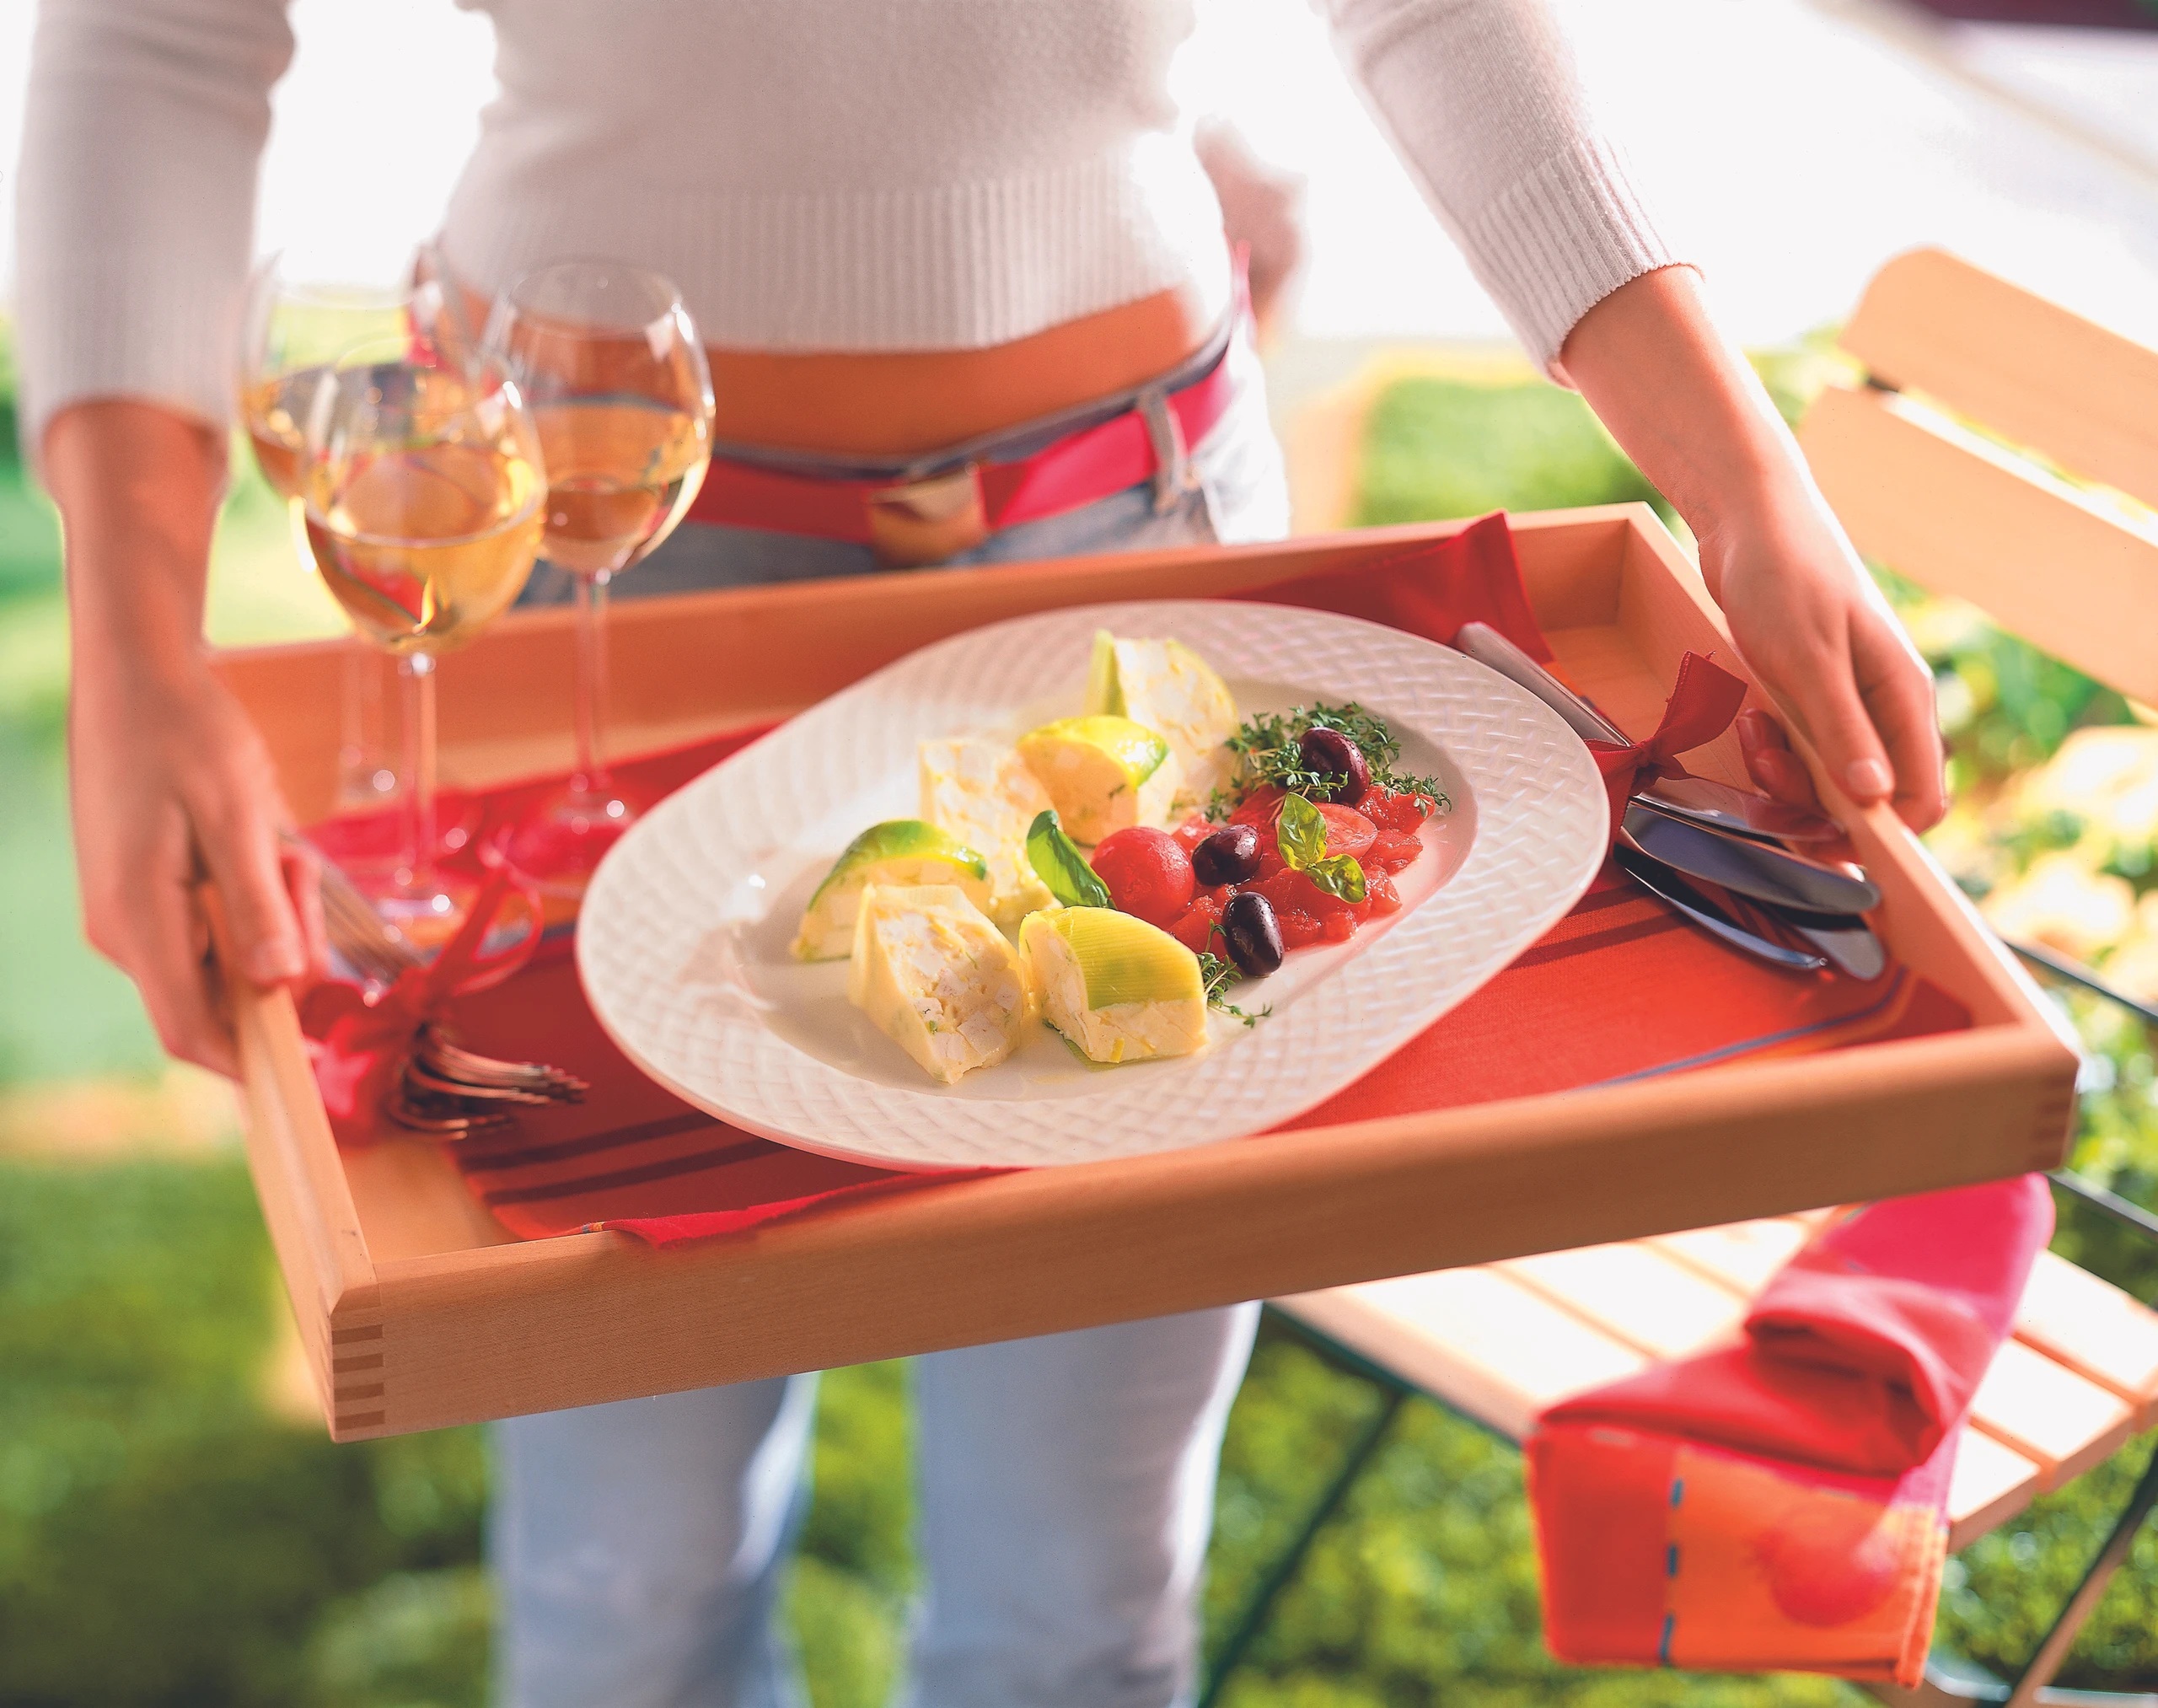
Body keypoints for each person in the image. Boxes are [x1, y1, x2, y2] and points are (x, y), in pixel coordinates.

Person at [15, 3, 1946, 1704]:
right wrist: (128, 636)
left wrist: (1734, 472)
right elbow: (163, 31)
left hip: (1144, 548)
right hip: (593, 576)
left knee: (1079, 1615)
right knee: (623, 1588)